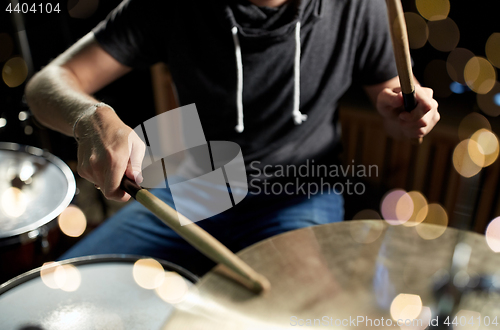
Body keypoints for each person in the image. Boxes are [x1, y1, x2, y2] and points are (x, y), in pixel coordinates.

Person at [25, 0, 439, 275]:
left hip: (302, 189)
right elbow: (46, 84)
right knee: (67, 291)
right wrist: (89, 117)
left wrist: (404, 116)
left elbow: (395, 107)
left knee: (288, 314)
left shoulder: (359, 6)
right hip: (193, 176)